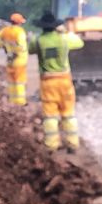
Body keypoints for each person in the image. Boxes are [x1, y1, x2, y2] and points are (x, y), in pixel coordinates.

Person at [30, 11, 83, 151]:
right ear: (55, 26)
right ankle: (72, 143)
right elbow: (79, 43)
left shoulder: (38, 40)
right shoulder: (64, 39)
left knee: (50, 116)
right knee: (68, 114)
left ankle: (52, 145)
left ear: (42, 27)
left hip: (48, 83)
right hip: (65, 81)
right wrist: (65, 31)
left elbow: (29, 50)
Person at [0, 13, 29, 105]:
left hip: (9, 59)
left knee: (11, 81)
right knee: (19, 81)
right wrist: (16, 52)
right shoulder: (20, 32)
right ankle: (20, 101)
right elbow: (21, 47)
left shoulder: (5, 30)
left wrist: (3, 46)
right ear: (19, 22)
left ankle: (12, 101)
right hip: (19, 60)